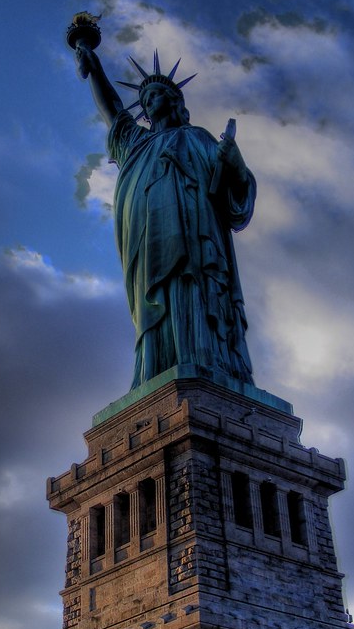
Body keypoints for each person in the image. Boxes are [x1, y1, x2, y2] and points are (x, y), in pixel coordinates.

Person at [75, 42, 256, 389]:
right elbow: (113, 110)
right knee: (155, 304)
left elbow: (234, 194)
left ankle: (204, 359)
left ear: (175, 102)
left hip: (194, 236)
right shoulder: (136, 145)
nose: (148, 105)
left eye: (155, 96)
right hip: (149, 244)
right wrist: (94, 69)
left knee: (190, 291)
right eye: (144, 102)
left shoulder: (198, 139)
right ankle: (155, 371)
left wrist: (237, 165)